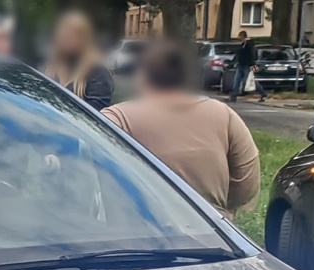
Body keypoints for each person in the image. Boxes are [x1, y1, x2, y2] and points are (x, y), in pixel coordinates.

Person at [104, 39, 261, 214]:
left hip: (136, 226)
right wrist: (220, 209)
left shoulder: (117, 118)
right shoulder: (224, 114)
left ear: (142, 77)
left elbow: (91, 175)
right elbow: (247, 182)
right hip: (210, 225)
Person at [42, 10, 114, 110]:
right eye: (62, 36)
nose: (64, 40)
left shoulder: (98, 72)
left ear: (84, 39)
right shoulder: (51, 68)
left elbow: (95, 114)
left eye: (70, 36)